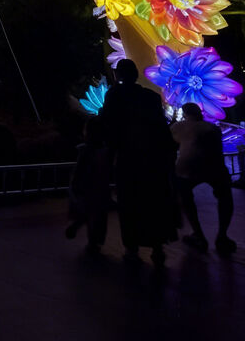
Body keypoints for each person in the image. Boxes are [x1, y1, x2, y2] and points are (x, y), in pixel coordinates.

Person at [100, 58, 177, 265]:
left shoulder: (115, 96)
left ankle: (132, 248)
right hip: (152, 158)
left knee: (130, 201)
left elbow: (109, 125)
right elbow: (161, 126)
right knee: (154, 199)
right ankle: (157, 246)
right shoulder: (149, 97)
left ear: (119, 75)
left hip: (128, 158)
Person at [171, 102, 237, 255]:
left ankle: (198, 234)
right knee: (225, 197)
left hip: (187, 166)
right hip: (215, 166)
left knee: (186, 198)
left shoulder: (178, 127)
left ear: (185, 113)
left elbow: (171, 147)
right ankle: (222, 235)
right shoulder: (212, 128)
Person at [66, 116, 111, 254]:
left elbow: (79, 169)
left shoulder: (85, 150)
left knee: (86, 211)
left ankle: (79, 226)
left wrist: (75, 184)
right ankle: (94, 241)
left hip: (86, 187)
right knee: (98, 215)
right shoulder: (105, 151)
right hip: (100, 187)